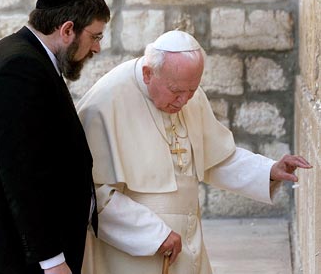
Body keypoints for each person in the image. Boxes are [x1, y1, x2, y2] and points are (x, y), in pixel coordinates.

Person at [77, 30, 311, 274]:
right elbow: (93, 195)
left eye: (191, 91)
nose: (183, 102)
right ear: (148, 74)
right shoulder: (105, 103)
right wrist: (153, 235)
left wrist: (269, 170)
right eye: (176, 91)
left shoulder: (189, 93)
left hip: (188, 242)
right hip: (131, 254)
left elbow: (215, 158)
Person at [0, 0, 110, 274]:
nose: (97, 48)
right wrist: (51, 259)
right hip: (26, 258)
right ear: (68, 30)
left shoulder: (31, 57)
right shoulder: (19, 66)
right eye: (95, 36)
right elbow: (20, 172)